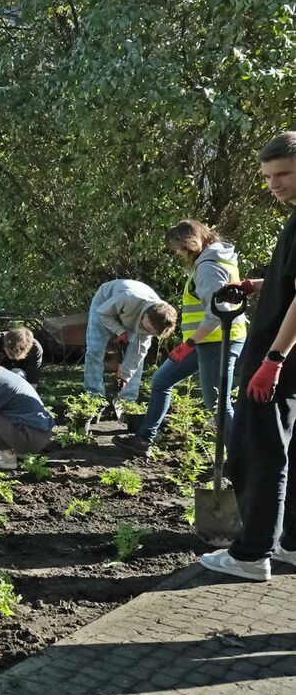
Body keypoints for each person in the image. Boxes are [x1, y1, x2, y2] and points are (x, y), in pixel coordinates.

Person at [200, 131, 296, 581]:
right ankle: (291, 543)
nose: (274, 184)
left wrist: (273, 359)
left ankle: (252, 554)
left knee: (261, 454)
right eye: (268, 176)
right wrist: (261, 285)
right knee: (286, 450)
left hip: (276, 362)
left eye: (283, 174)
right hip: (280, 360)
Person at [115, 221, 247, 457]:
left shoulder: (208, 266)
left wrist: (189, 343)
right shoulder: (210, 261)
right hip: (204, 341)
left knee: (217, 404)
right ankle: (144, 439)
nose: (177, 252)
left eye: (178, 247)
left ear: (190, 243)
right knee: (161, 381)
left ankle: (242, 460)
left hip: (217, 342)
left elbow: (218, 312)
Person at [83, 279, 178, 404]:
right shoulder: (128, 298)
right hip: (105, 303)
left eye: (151, 333)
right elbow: (103, 313)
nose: (147, 333)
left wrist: (125, 377)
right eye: (147, 329)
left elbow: (137, 354)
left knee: (137, 355)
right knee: (95, 349)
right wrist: (120, 330)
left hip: (131, 314)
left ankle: (127, 400)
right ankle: (93, 395)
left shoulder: (158, 319)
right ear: (145, 316)